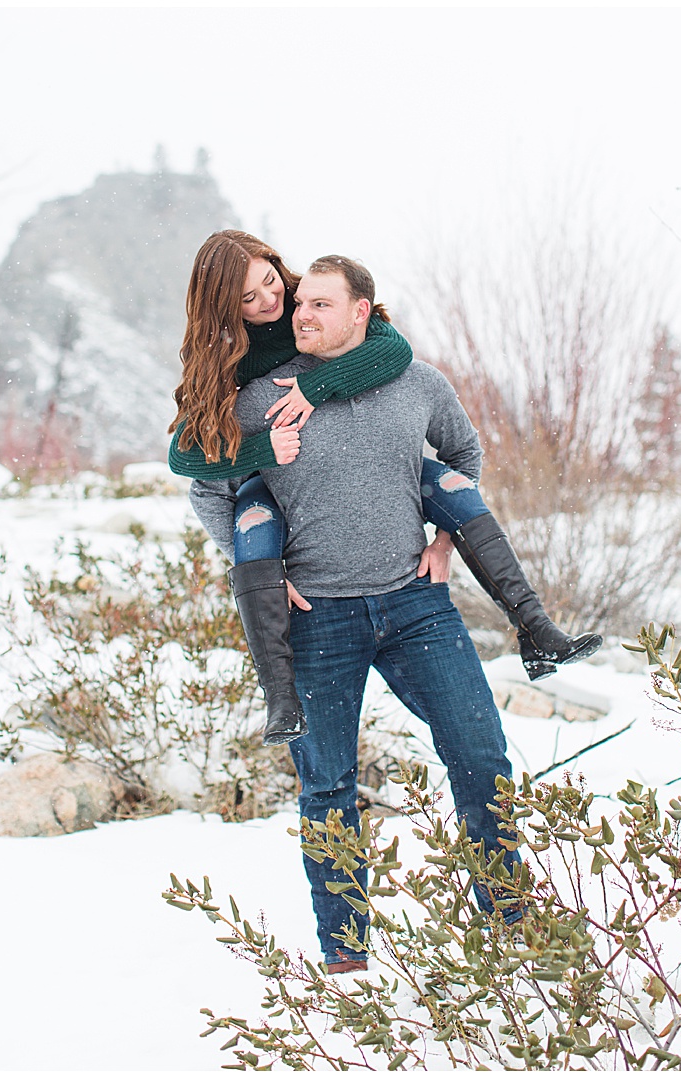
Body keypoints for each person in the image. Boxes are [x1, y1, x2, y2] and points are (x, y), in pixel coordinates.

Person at [194, 255, 526, 973]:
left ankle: (510, 928)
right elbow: (208, 487)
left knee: (481, 757)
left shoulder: (415, 380)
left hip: (417, 607)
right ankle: (345, 955)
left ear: (362, 313)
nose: (299, 315)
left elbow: (463, 451)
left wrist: (445, 541)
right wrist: (263, 572)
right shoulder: (257, 399)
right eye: (298, 304)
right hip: (318, 622)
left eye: (318, 305)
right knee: (328, 787)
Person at [170, 230, 600, 745]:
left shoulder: (313, 309)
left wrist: (317, 384)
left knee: (446, 480)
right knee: (252, 512)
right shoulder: (226, 361)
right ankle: (279, 697)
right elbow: (189, 459)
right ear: (225, 308)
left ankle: (536, 628)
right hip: (296, 534)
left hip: (408, 580)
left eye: (271, 281)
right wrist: (263, 458)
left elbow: (392, 346)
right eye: (248, 298)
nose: (275, 302)